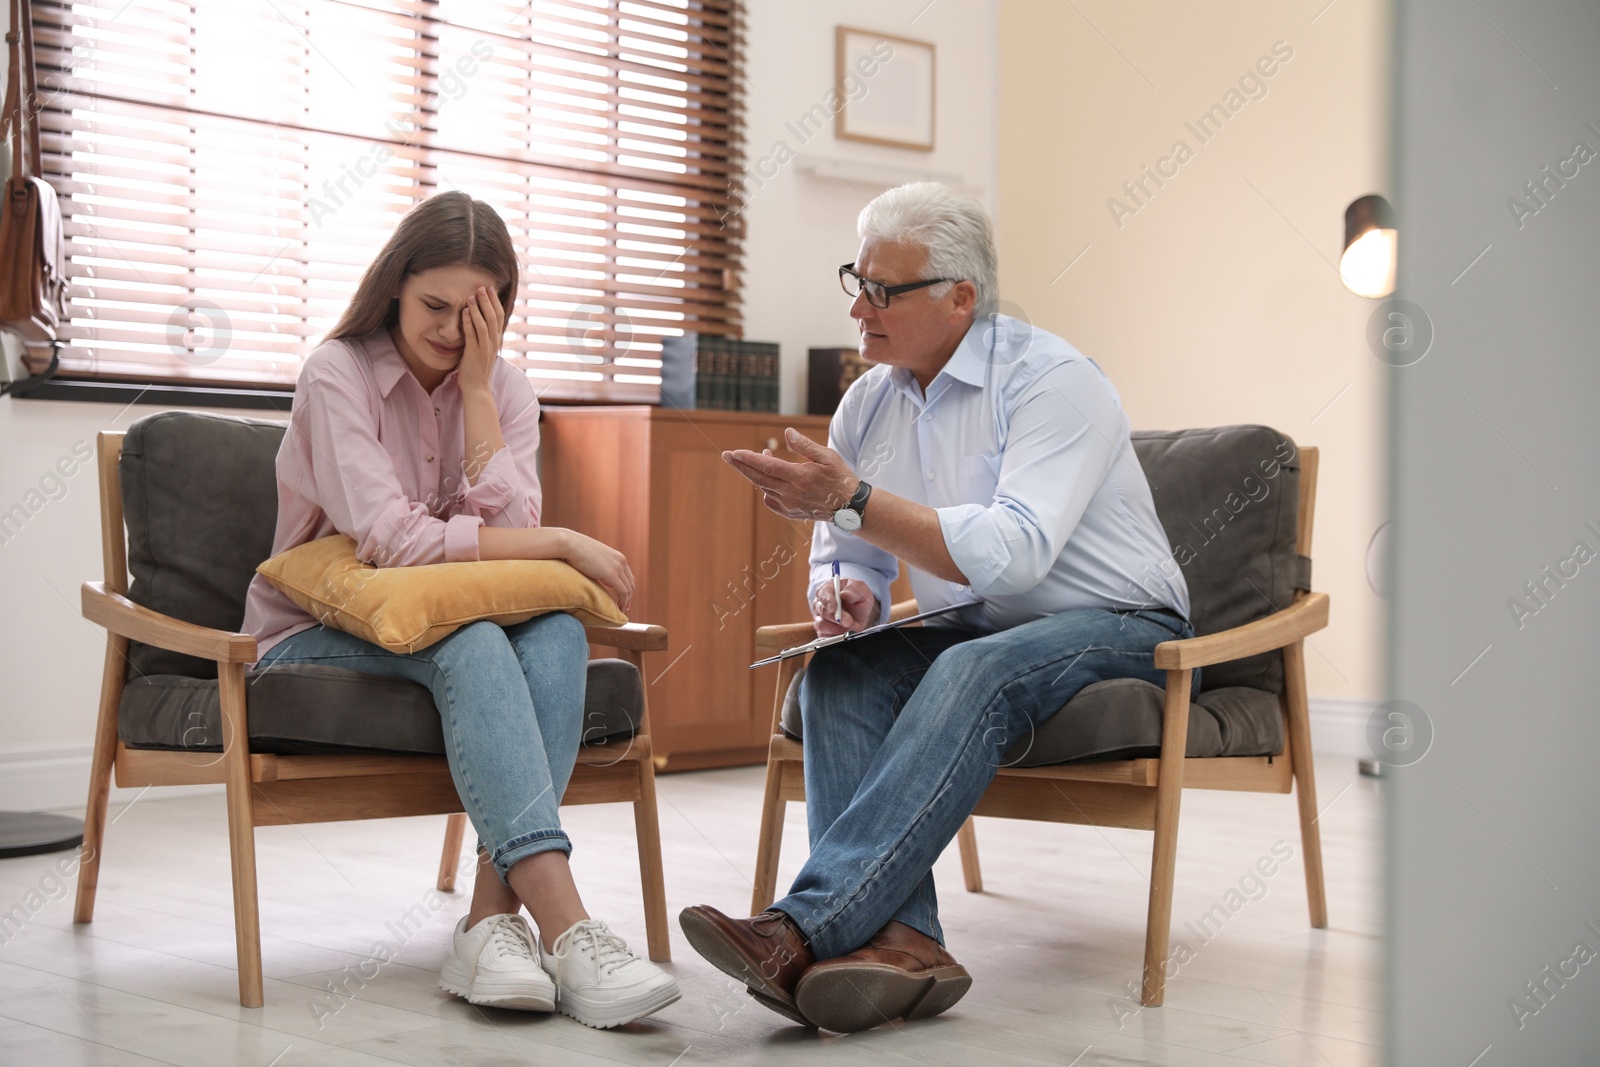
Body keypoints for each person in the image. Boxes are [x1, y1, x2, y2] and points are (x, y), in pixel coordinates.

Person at [678, 182, 1192, 1034]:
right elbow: (854, 549)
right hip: (989, 625)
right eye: (858, 279)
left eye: (884, 290)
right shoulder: (869, 402)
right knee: (838, 668)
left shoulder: (1053, 381)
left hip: (1124, 622)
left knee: (970, 665)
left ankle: (802, 926)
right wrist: (848, 591)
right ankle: (906, 942)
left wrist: (849, 498)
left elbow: (1015, 552)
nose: (857, 307)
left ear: (963, 297)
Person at [240, 191, 679, 1030]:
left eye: (472, 312)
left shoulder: (506, 390)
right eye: (432, 306)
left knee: (550, 629)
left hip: (437, 629)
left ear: (501, 311)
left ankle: (488, 923)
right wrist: (563, 543)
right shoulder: (337, 372)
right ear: (394, 287)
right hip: (313, 634)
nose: (447, 329)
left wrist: (478, 393)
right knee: (474, 637)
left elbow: (506, 539)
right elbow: (393, 541)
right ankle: (565, 922)